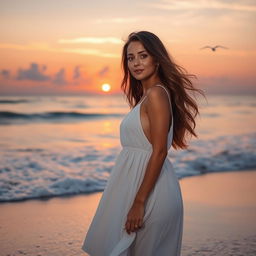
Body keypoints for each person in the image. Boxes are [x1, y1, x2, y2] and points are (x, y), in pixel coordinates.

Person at [81, 31, 205, 256]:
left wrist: (139, 202)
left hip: (152, 195)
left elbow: (159, 152)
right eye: (130, 58)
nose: (136, 63)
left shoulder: (157, 95)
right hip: (141, 188)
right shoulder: (147, 96)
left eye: (143, 55)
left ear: (156, 59)